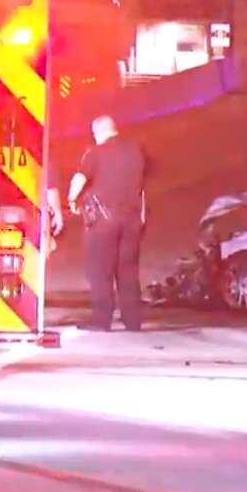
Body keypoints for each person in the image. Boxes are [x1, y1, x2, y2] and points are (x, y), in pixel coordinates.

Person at [67, 115, 147, 332]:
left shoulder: (95, 153)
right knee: (128, 270)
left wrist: (72, 199)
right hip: (131, 220)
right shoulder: (135, 150)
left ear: (99, 131)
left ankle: (102, 319)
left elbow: (80, 179)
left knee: (100, 270)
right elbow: (141, 186)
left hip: (103, 222)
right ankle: (133, 320)